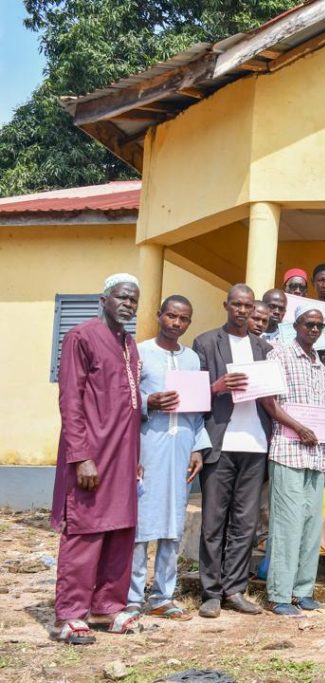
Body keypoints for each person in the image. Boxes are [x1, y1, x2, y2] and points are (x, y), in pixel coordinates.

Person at [51, 274, 144, 644]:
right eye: (122, 297)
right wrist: (80, 456)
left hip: (124, 455)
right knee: (85, 530)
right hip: (92, 453)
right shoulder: (81, 337)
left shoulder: (129, 343)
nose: (128, 305)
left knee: (120, 530)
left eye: (134, 300)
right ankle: (71, 614)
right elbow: (70, 400)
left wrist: (136, 457)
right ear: (104, 299)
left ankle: (107, 607)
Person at [192, 284, 273, 618]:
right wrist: (216, 386)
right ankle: (211, 592)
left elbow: (272, 396)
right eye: (237, 304)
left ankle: (235, 590)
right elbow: (192, 393)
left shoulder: (264, 348)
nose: (242, 310)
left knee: (245, 522)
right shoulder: (206, 342)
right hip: (220, 442)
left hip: (255, 444)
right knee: (213, 520)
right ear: (226, 305)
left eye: (247, 306)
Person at [131, 295, 210, 622]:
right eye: (171, 316)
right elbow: (125, 397)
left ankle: (163, 597)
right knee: (141, 524)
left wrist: (197, 448)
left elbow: (197, 410)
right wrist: (148, 402)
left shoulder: (192, 359)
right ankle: (132, 597)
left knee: (173, 525)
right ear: (159, 315)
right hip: (148, 445)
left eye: (184, 319)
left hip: (182, 449)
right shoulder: (139, 353)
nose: (177, 323)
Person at [258, 303, 325, 617]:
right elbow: (269, 402)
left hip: (317, 454)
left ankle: (303, 591)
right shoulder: (278, 354)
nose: (313, 330)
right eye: (308, 324)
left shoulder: (318, 362)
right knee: (286, 524)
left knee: (311, 525)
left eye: (318, 326)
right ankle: (278, 594)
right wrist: (299, 427)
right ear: (296, 325)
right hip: (289, 450)